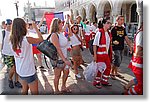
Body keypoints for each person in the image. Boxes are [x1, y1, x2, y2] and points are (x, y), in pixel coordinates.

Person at [10, 18, 43, 94]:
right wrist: (35, 27)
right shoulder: (26, 39)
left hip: (20, 70)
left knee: (25, 89)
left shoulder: (12, 40)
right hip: (29, 71)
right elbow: (41, 39)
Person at [49, 17, 72, 94]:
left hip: (64, 56)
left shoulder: (61, 32)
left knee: (66, 71)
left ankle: (63, 86)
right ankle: (56, 90)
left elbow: (65, 26)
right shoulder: (54, 35)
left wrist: (68, 19)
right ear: (57, 25)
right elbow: (58, 49)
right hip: (58, 58)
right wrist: (65, 60)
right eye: (60, 23)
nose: (62, 24)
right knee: (57, 75)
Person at [1, 19, 22, 89]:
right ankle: (10, 79)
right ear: (5, 25)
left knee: (17, 69)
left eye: (11, 24)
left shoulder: (14, 33)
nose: (9, 26)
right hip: (6, 54)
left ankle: (16, 81)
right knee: (12, 68)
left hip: (15, 53)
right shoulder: (2, 33)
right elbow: (0, 44)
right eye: (8, 24)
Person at [93, 17, 112, 89]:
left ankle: (104, 81)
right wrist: (95, 55)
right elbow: (95, 44)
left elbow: (108, 44)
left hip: (106, 54)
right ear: (103, 24)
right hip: (100, 54)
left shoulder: (108, 33)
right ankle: (96, 82)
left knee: (108, 67)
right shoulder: (99, 32)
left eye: (110, 23)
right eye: (108, 23)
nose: (109, 24)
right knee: (100, 69)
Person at [111, 15, 133, 79]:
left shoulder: (123, 29)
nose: (122, 21)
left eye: (123, 19)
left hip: (121, 46)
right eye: (121, 19)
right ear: (117, 20)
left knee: (119, 60)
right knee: (117, 59)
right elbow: (110, 38)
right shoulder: (114, 28)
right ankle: (112, 72)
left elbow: (126, 38)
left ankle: (116, 72)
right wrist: (110, 47)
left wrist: (130, 46)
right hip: (115, 47)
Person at [124, 22, 143, 95]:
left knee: (138, 80)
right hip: (139, 63)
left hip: (138, 62)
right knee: (141, 87)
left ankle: (127, 87)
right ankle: (128, 94)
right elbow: (138, 52)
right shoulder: (142, 34)